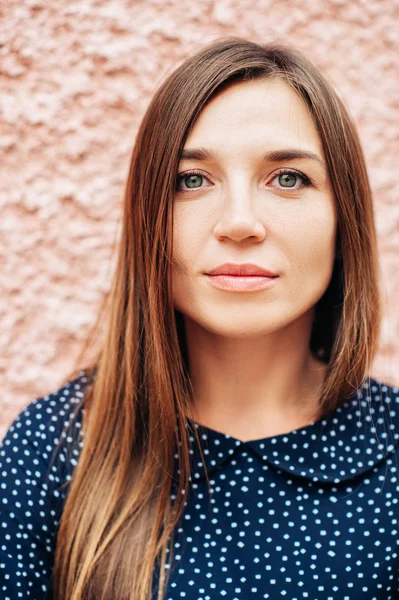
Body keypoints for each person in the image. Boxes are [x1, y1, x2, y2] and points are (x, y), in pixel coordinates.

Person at [1, 36, 398, 600]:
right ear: (147, 221)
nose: (239, 222)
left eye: (288, 178)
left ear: (345, 221)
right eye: (192, 180)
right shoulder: (53, 450)